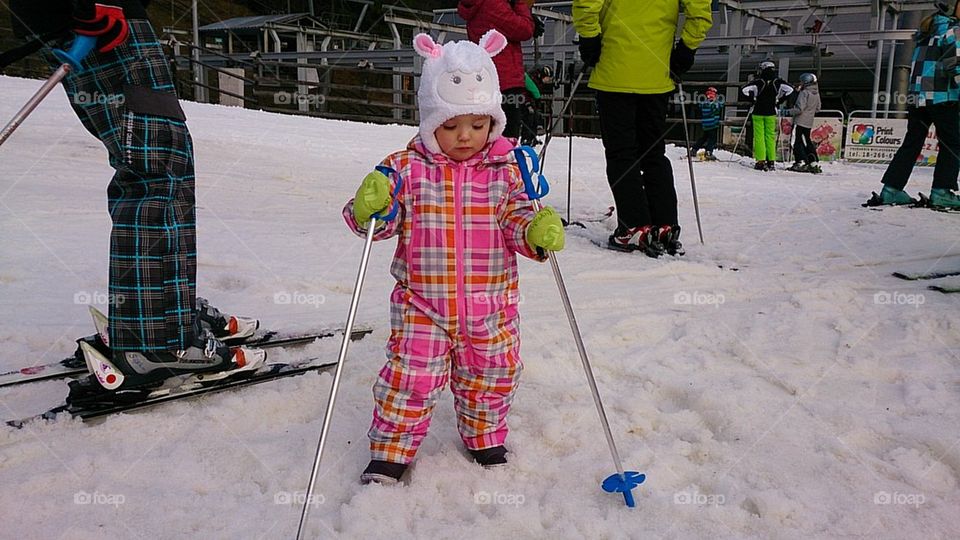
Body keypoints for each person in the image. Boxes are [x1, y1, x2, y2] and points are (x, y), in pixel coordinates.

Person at [342, 31, 565, 485]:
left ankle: (485, 435)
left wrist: (534, 231)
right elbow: (380, 224)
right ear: (430, 121)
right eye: (450, 126)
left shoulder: (507, 170)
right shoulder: (406, 168)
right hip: (422, 305)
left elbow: (517, 217)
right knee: (411, 377)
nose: (465, 136)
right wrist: (370, 207)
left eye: (478, 125)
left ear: (493, 121)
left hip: (491, 306)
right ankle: (391, 450)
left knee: (492, 373)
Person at [8, 1, 263, 390]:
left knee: (163, 168)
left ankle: (164, 318)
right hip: (100, 19)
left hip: (100, 18)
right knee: (157, 172)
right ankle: (158, 341)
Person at [572, 0, 712, 257]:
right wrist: (687, 48)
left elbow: (586, 3)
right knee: (654, 153)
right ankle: (664, 224)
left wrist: (589, 37)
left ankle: (634, 226)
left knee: (621, 153)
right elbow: (700, 11)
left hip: (614, 69)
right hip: (657, 72)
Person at [867, 0, 960, 209]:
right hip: (942, 97)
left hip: (918, 98)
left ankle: (891, 189)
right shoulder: (953, 30)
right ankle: (942, 192)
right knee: (952, 144)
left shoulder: (927, 31)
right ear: (951, 6)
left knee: (912, 143)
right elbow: (954, 65)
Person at [459, 0, 538, 142]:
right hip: (505, 80)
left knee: (489, 133)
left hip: (487, 79)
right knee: (507, 137)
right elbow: (524, 30)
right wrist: (520, 4)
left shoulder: (479, 5)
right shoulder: (493, 4)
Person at [741, 60, 794, 171]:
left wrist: (752, 99)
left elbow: (744, 90)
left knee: (759, 136)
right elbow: (790, 90)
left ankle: (760, 161)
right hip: (771, 111)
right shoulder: (777, 82)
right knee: (770, 136)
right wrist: (780, 100)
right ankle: (771, 161)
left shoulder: (758, 81)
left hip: (758, 111)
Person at [787, 73, 823, 174]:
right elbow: (818, 108)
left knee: (796, 141)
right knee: (807, 141)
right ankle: (812, 161)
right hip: (809, 121)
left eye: (802, 82)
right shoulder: (816, 93)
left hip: (799, 121)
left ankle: (800, 161)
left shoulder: (804, 93)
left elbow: (799, 109)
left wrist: (788, 112)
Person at [690, 86, 723, 161]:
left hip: (705, 124)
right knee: (712, 139)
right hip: (713, 124)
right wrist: (718, 103)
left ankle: (694, 149)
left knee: (704, 138)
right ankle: (708, 152)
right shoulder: (714, 105)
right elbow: (718, 108)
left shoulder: (704, 104)